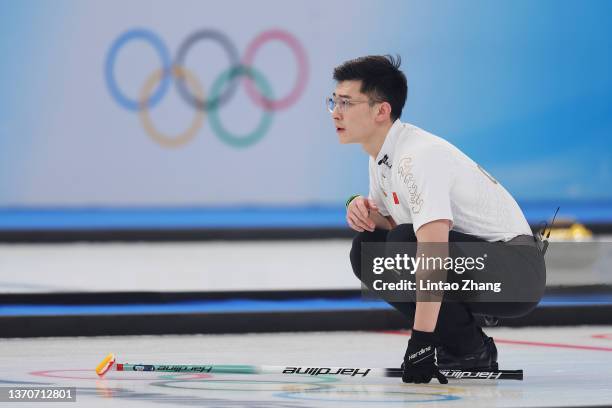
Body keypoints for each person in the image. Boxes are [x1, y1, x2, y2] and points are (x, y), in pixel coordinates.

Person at [328, 55, 546, 384]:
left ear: (381, 111)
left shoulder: (417, 156)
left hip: (517, 274)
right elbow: (392, 227)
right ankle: (461, 345)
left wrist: (421, 339)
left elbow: (432, 249)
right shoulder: (381, 157)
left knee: (404, 244)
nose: (335, 111)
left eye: (345, 102)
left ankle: (471, 350)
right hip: (481, 261)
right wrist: (359, 206)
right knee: (367, 249)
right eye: (333, 100)